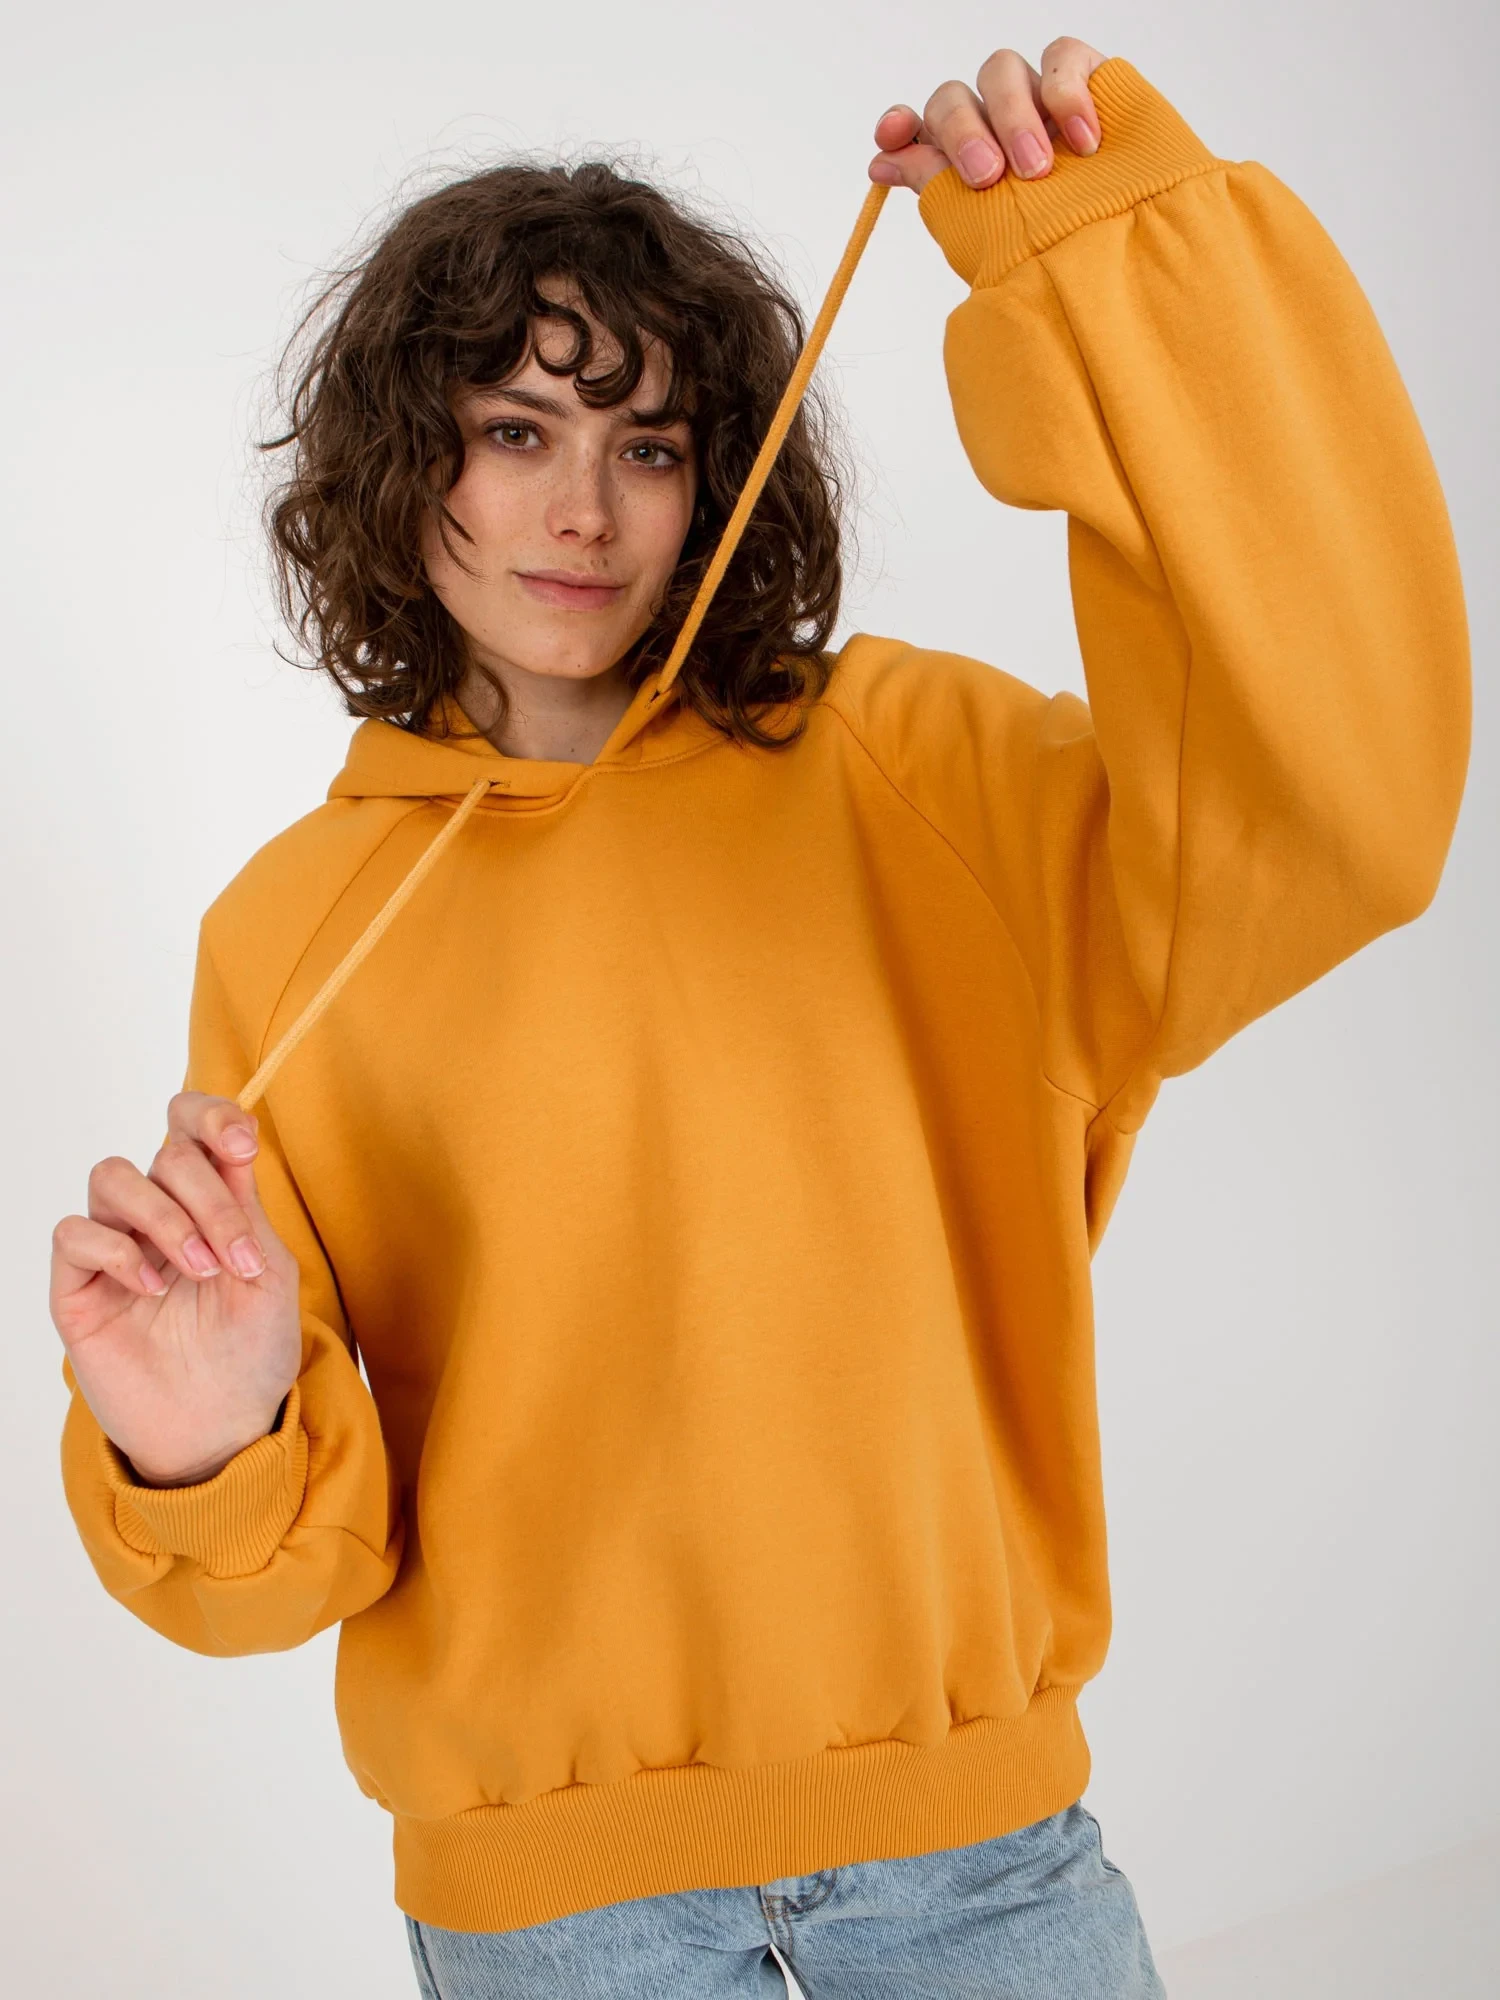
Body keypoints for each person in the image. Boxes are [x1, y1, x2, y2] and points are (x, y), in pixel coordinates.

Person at [49, 34, 1469, 2000]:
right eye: (516, 429)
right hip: (553, 1921)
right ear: (402, 461)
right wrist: (202, 1450)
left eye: (648, 446)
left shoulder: (913, 770)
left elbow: (1325, 808)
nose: (584, 510)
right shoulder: (290, 930)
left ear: (719, 477)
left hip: (977, 1869)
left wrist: (1110, 262)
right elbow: (306, 1561)